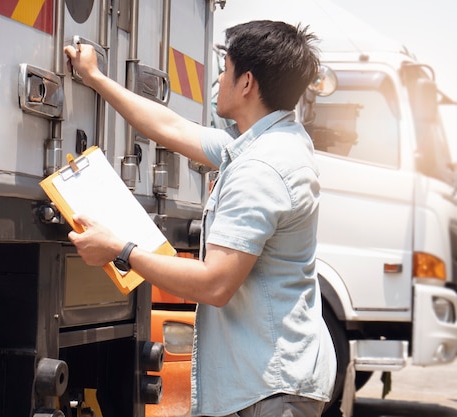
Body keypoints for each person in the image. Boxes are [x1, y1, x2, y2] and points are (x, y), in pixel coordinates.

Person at [64, 20, 336, 417]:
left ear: (246, 83)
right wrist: (95, 77)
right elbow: (169, 127)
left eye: (224, 70)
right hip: (272, 380)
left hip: (269, 389)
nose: (219, 81)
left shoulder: (260, 168)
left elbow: (215, 284)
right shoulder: (273, 142)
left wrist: (121, 250)